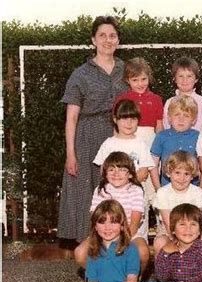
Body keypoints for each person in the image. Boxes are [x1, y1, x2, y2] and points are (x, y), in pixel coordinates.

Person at [58, 16, 128, 243]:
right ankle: (90, 256)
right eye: (102, 35)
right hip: (87, 138)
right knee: (86, 194)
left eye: (112, 35)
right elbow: (71, 117)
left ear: (118, 40)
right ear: (93, 40)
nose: (108, 40)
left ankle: (119, 254)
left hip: (119, 136)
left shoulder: (126, 71)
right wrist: (71, 152)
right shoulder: (80, 74)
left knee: (118, 190)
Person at [66, 200, 141, 282]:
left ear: (122, 225)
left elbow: (132, 281)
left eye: (113, 222)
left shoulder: (131, 248)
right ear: (95, 226)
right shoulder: (93, 250)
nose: (107, 227)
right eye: (102, 222)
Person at [74, 152, 149, 273]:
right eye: (111, 169)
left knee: (142, 252)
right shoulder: (101, 190)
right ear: (105, 173)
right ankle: (103, 277)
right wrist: (105, 236)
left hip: (129, 232)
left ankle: (134, 280)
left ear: (130, 174)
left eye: (122, 169)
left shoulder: (136, 190)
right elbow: (95, 216)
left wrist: (122, 240)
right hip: (104, 232)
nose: (116, 174)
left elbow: (135, 220)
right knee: (80, 253)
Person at [115, 57, 164, 205]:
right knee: (134, 184)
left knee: (153, 187)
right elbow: (117, 126)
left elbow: (159, 125)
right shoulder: (123, 99)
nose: (140, 83)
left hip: (151, 143)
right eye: (135, 80)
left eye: (144, 79)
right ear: (127, 80)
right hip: (131, 144)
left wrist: (159, 149)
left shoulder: (156, 99)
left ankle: (160, 222)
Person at [151, 151, 202, 255]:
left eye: (186, 174)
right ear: (169, 173)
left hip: (193, 228)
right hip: (168, 230)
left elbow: (196, 220)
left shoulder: (197, 192)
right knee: (160, 242)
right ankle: (162, 270)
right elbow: (168, 222)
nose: (182, 178)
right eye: (177, 173)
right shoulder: (162, 192)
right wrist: (178, 241)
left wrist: (189, 238)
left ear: (192, 176)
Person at [150, 95, 200, 189]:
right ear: (169, 117)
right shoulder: (162, 136)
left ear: (193, 120)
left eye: (186, 115)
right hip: (167, 189)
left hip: (192, 190)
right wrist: (158, 189)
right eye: (177, 115)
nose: (181, 119)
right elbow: (153, 166)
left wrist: (200, 189)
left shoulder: (198, 137)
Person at [163, 56, 202, 131]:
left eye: (189, 76)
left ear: (196, 79)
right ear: (175, 79)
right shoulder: (169, 102)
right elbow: (166, 126)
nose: (185, 80)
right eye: (180, 76)